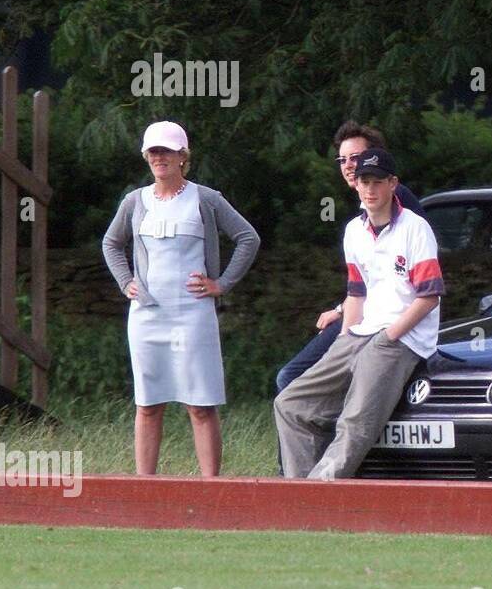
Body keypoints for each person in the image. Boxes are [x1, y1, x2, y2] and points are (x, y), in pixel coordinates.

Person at [273, 147, 443, 479]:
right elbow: (356, 291)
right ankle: (297, 495)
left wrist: (390, 335)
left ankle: (321, 489)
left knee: (355, 417)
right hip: (361, 331)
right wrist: (346, 335)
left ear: (393, 183)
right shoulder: (354, 231)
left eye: (378, 181)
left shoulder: (415, 228)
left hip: (402, 337)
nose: (370, 189)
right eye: (364, 181)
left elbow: (429, 297)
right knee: (291, 404)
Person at [102, 121, 260, 476]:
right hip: (146, 316)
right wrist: (126, 281)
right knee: (147, 404)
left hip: (193, 314)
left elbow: (247, 237)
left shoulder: (206, 198)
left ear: (182, 156)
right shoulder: (134, 201)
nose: (160, 158)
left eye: (167, 151)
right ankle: (146, 488)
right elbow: (111, 243)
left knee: (200, 405)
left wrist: (221, 283)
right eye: (154, 152)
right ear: (146, 157)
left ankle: (211, 488)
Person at [274, 121, 425, 393]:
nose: (347, 165)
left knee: (292, 377)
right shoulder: (363, 215)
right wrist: (342, 311)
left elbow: (402, 276)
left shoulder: (394, 200)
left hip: (388, 321)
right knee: (297, 378)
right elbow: (369, 277)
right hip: (365, 314)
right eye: (342, 159)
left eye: (355, 157)